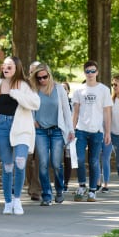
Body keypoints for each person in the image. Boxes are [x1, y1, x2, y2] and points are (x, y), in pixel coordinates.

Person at [0, 56, 40, 215]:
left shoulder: (24, 85)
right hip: (2, 126)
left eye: (9, 66)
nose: (5, 68)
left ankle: (17, 200)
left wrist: (18, 95)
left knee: (20, 161)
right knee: (7, 166)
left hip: (21, 127)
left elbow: (35, 103)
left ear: (17, 68)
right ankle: (8, 202)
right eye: (4, 66)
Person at [30, 63, 74, 205]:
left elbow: (67, 111)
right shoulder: (34, 90)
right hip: (40, 131)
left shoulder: (59, 89)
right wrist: (33, 121)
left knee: (56, 163)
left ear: (49, 75)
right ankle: (47, 194)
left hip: (56, 130)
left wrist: (71, 130)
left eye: (44, 77)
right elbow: (30, 108)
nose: (42, 80)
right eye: (39, 78)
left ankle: (59, 189)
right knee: (42, 163)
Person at [71, 60, 112, 203]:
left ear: (97, 72)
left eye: (93, 71)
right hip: (81, 130)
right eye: (88, 71)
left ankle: (93, 190)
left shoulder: (104, 90)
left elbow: (107, 112)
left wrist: (107, 132)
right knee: (80, 159)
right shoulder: (79, 90)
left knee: (94, 161)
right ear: (84, 73)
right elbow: (75, 112)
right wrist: (72, 129)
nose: (90, 74)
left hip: (97, 131)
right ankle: (82, 186)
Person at [24, 61, 43, 201]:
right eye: (31, 71)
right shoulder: (25, 87)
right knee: (26, 159)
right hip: (26, 128)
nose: (32, 74)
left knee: (38, 160)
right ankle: (31, 185)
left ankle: (36, 189)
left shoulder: (44, 87)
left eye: (35, 71)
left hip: (41, 129)